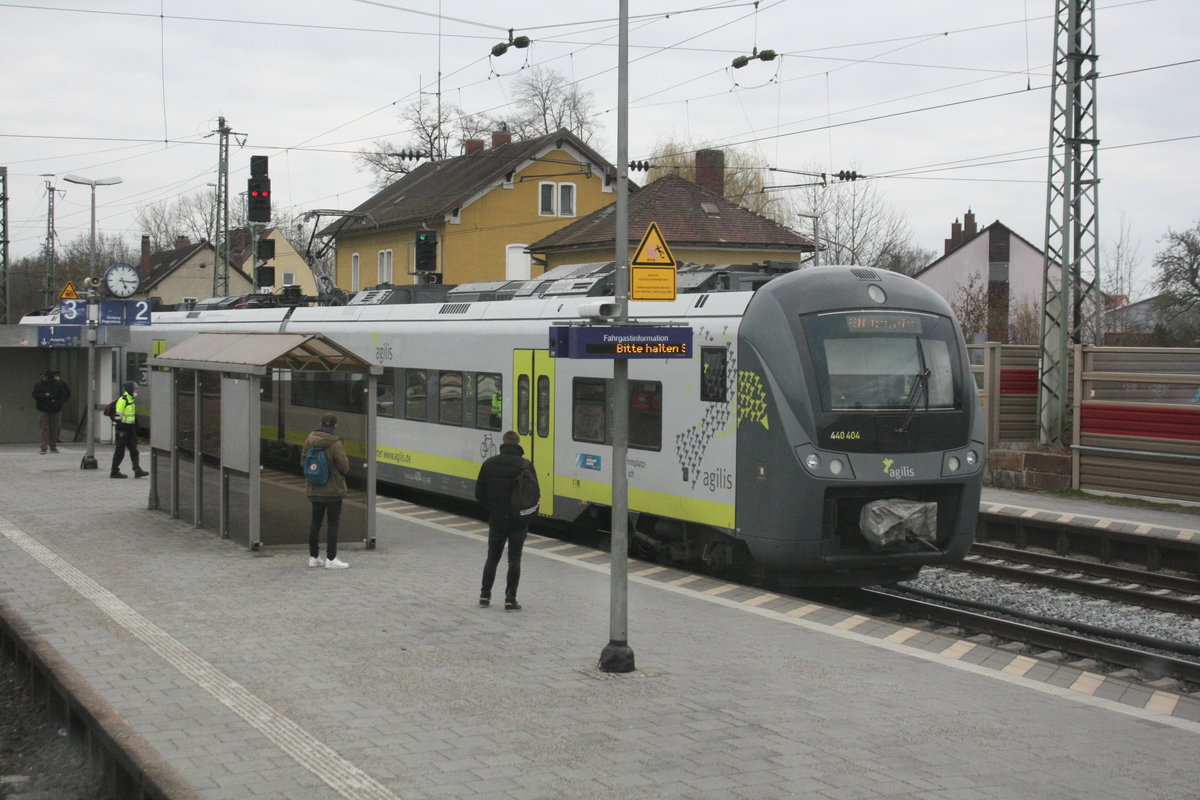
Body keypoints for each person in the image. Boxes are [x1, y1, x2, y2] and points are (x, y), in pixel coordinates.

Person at [475, 430, 534, 611]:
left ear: (503, 443)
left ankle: (485, 595)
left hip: (497, 520)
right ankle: (510, 599)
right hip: (518, 522)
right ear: (518, 444)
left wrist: (493, 508)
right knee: (514, 560)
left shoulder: (489, 464)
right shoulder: (525, 465)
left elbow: (479, 495)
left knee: (492, 558)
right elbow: (534, 494)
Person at [303, 413, 350, 569]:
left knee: (315, 523)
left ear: (321, 424)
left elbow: (303, 462)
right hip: (333, 490)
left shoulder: (309, 440)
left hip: (314, 489)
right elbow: (344, 466)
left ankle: (314, 557)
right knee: (332, 524)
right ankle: (331, 559)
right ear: (335, 426)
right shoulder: (335, 443)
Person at [110, 381, 148, 479]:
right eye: (135, 389)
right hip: (123, 430)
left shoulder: (131, 399)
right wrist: (120, 430)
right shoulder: (123, 400)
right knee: (120, 452)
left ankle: (137, 470)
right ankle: (114, 471)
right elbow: (118, 416)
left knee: (134, 450)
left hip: (130, 430)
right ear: (130, 390)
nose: (137, 391)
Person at [32, 369, 70, 454]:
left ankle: (44, 446)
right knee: (53, 429)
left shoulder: (40, 385)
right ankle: (52, 446)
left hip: (44, 408)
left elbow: (35, 395)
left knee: (45, 428)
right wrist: (58, 403)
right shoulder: (59, 385)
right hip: (53, 409)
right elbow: (65, 395)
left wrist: (44, 396)